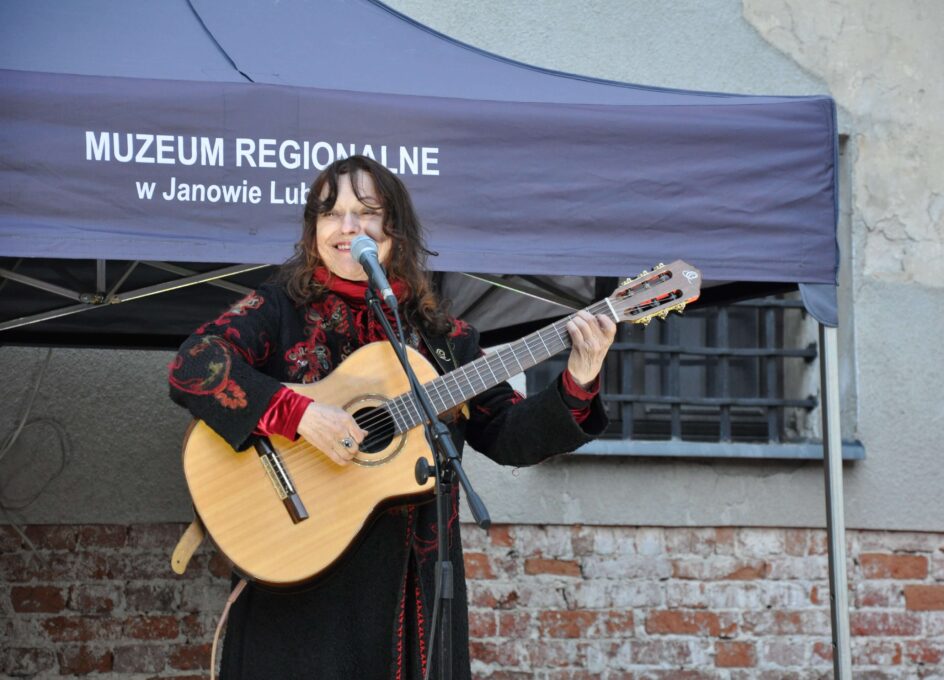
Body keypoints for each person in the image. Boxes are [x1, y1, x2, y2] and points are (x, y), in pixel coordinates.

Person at [168, 155, 616, 679]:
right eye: (330, 213)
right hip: (299, 570)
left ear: (395, 230)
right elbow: (193, 365)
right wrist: (299, 414)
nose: (347, 227)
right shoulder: (279, 309)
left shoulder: (445, 339)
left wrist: (578, 381)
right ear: (313, 231)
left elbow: (510, 437)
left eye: (366, 212)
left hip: (414, 589)